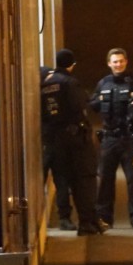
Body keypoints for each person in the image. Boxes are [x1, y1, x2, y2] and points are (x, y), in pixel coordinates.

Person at [41, 49, 105, 236]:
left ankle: (67, 218)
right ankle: (87, 222)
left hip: (53, 140)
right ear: (72, 65)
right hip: (75, 140)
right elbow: (80, 106)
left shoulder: (44, 85)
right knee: (84, 180)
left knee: (62, 180)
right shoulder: (70, 83)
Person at [89, 48, 133, 229]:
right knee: (105, 179)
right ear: (109, 63)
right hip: (109, 139)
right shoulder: (103, 84)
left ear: (126, 61)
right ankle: (104, 217)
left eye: (121, 61)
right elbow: (93, 105)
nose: (118, 64)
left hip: (129, 139)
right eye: (115, 61)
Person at [40, 65, 75, 231]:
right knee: (61, 180)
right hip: (49, 142)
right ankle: (64, 217)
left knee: (58, 180)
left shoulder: (40, 89)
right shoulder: (45, 87)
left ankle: (63, 217)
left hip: (47, 141)